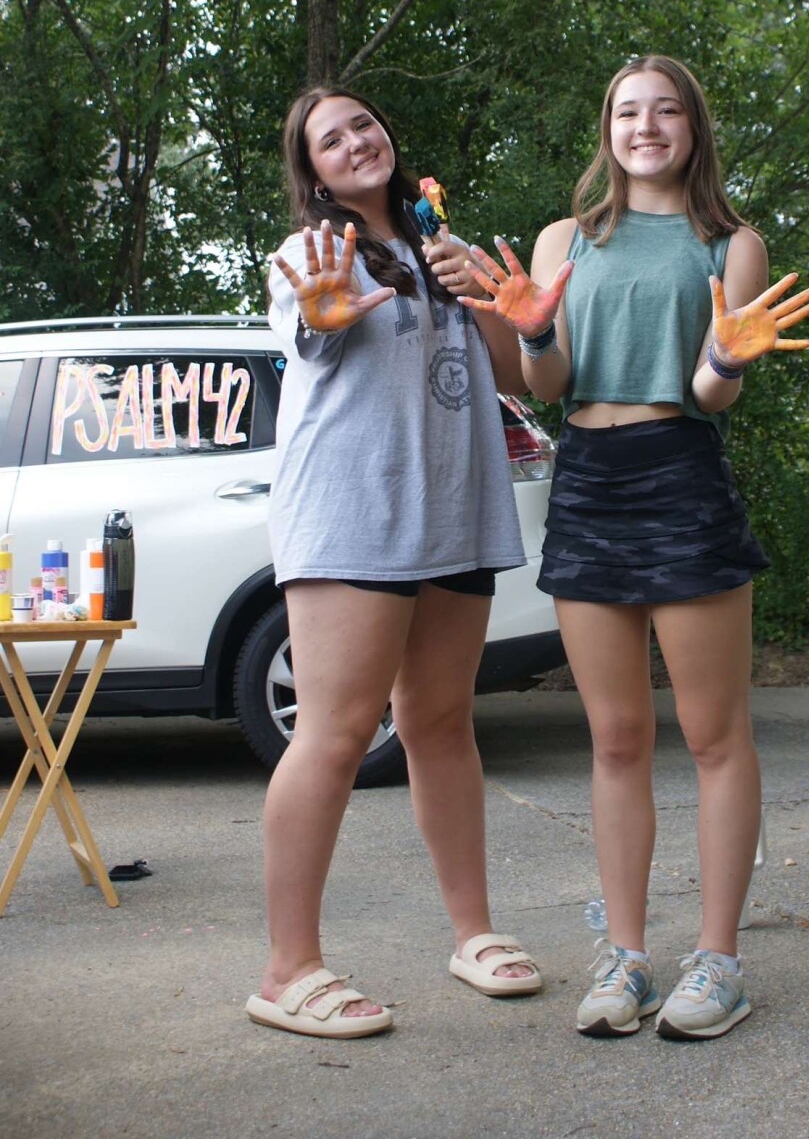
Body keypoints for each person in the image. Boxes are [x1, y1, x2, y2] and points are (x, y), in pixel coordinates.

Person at [461, 54, 809, 1040]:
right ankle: (625, 959)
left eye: (665, 111)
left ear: (693, 129)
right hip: (588, 480)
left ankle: (719, 962)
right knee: (615, 738)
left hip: (681, 475)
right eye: (627, 111)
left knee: (712, 735)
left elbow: (711, 393)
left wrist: (723, 357)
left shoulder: (730, 244)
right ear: (607, 130)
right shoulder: (564, 239)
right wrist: (533, 335)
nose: (646, 126)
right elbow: (548, 384)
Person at [245, 86, 542, 1040]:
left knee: (441, 723)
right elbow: (310, 325)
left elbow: (514, 374)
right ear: (314, 171)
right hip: (353, 513)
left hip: (452, 511)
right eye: (330, 140)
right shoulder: (309, 254)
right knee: (333, 734)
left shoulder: (443, 245)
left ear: (387, 137)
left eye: (363, 125)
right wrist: (323, 316)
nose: (354, 142)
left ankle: (473, 934)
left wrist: (483, 294)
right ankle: (287, 970)